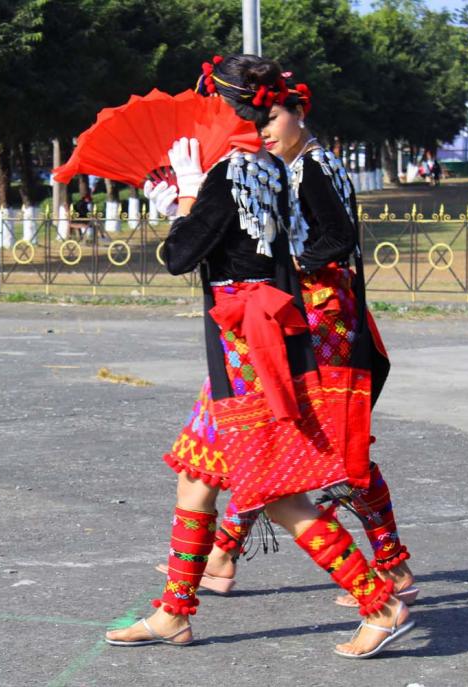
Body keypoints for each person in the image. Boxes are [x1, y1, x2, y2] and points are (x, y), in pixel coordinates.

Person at [104, 54, 414, 659]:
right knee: (196, 476)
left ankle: (380, 598)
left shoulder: (231, 174)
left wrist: (185, 202)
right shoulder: (271, 167)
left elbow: (179, 256)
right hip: (253, 343)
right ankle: (174, 611)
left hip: (251, 353)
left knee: (276, 492)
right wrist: (188, 205)